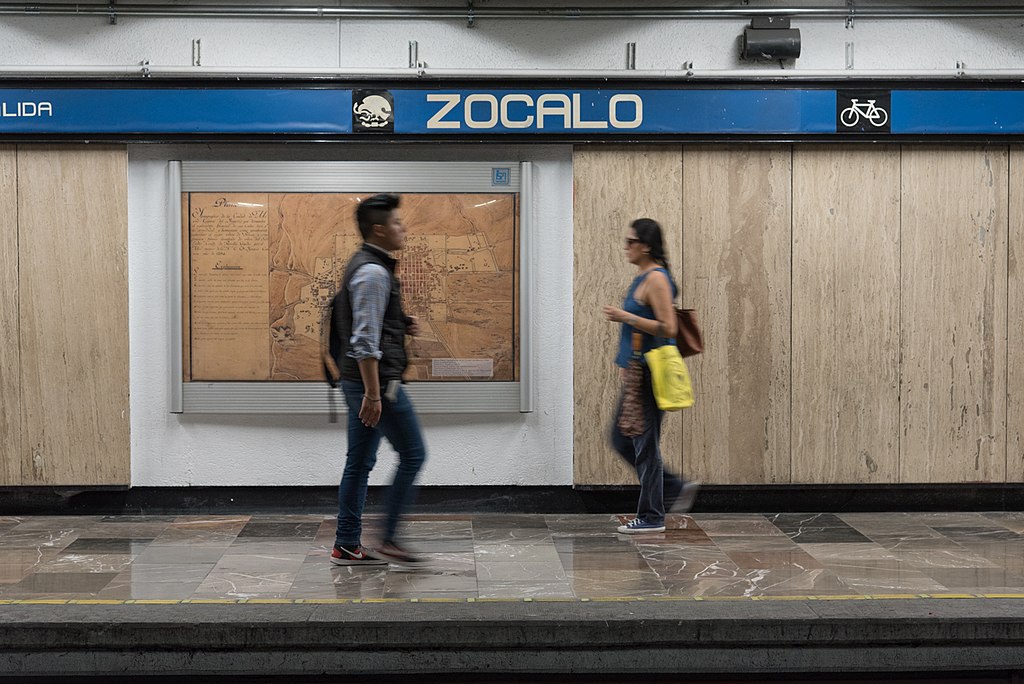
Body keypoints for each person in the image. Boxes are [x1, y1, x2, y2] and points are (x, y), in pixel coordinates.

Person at [327, 193, 427, 566]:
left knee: (360, 461)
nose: (404, 229)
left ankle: (347, 543)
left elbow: (369, 324)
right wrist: (373, 395)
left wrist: (402, 323)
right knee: (414, 453)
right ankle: (388, 538)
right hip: (377, 385)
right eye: (398, 223)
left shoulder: (366, 265)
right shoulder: (373, 272)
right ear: (380, 230)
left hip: (362, 383)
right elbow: (364, 342)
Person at [602, 218, 700, 534]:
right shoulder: (642, 276)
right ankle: (672, 487)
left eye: (631, 241)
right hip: (636, 370)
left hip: (649, 372)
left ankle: (653, 515)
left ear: (646, 245)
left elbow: (668, 328)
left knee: (644, 445)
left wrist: (624, 316)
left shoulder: (656, 279)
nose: (626, 246)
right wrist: (624, 363)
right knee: (622, 439)